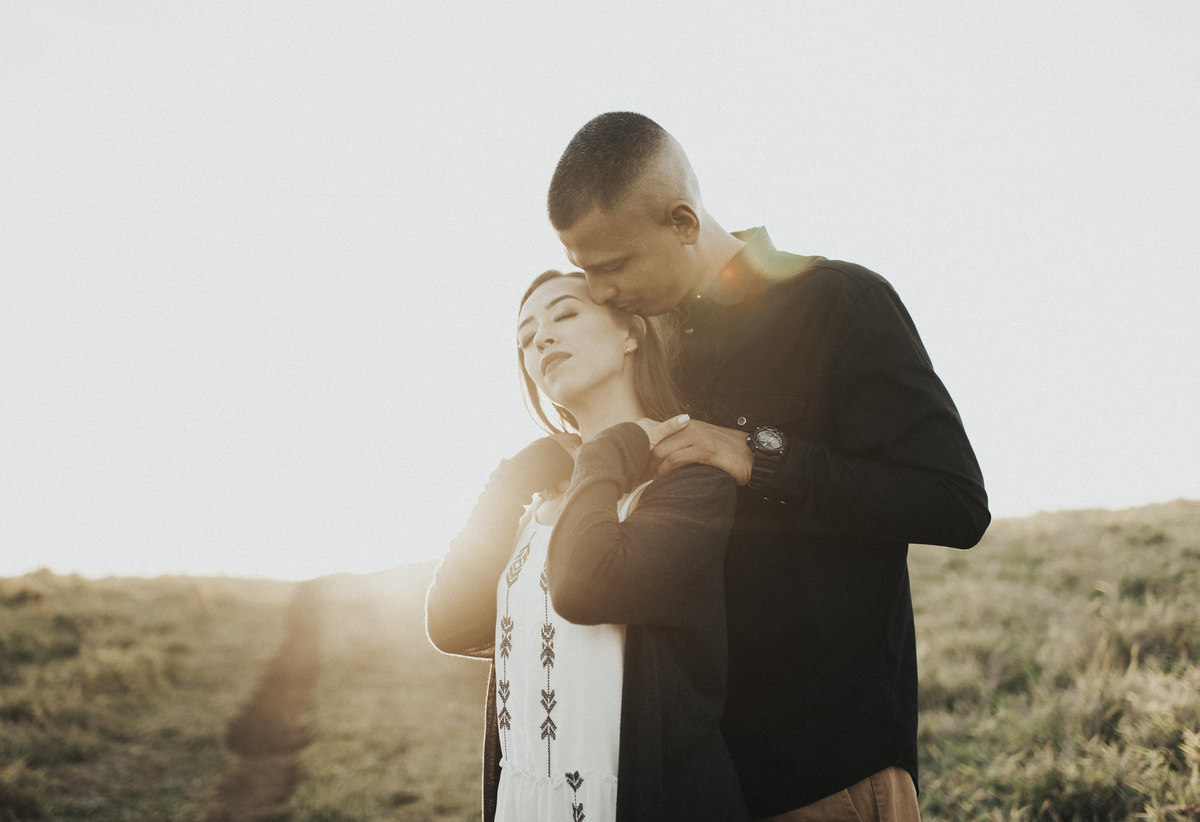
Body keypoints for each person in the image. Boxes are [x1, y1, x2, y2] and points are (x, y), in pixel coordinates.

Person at [547, 112, 991, 821]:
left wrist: (759, 456)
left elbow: (953, 502)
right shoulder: (648, 347)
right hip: (688, 781)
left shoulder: (839, 303)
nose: (599, 292)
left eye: (613, 266)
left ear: (684, 221)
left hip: (822, 773)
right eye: (584, 270)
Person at [426, 270, 750, 822]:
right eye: (527, 338)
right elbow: (450, 621)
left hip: (641, 800)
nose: (542, 339)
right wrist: (512, 480)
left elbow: (586, 586)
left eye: (565, 315)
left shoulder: (692, 482)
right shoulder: (535, 498)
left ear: (632, 334)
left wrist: (607, 450)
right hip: (527, 801)